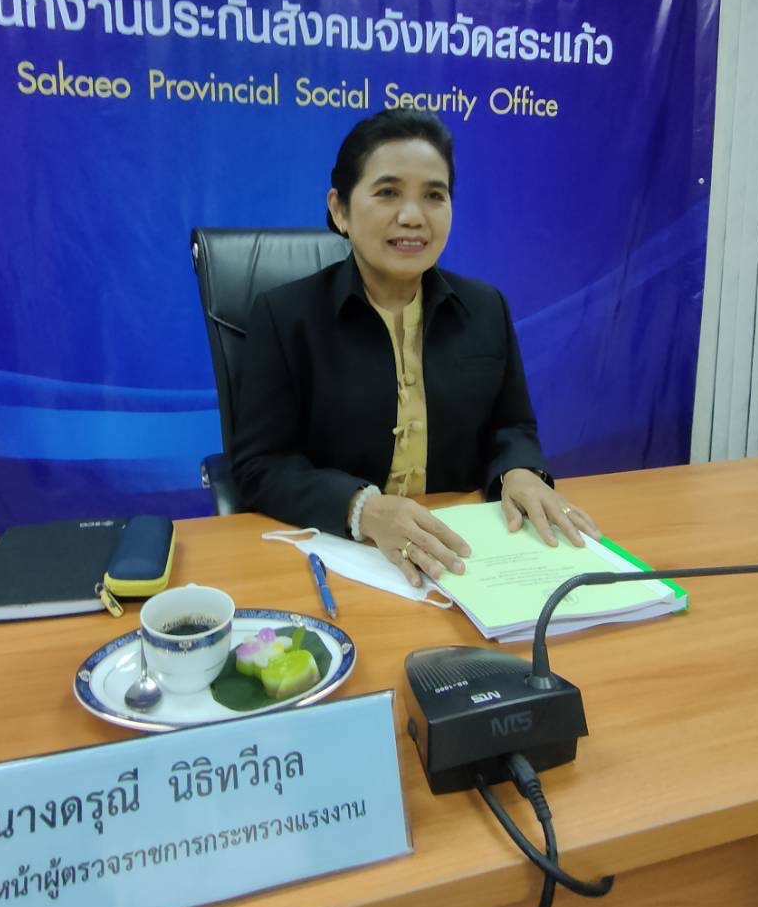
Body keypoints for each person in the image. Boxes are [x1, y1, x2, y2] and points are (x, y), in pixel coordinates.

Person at [231, 110, 601, 587]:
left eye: (434, 195)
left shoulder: (485, 308)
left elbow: (511, 426)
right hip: (343, 556)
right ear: (340, 210)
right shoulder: (285, 316)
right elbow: (261, 466)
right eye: (388, 192)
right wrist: (362, 509)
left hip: (464, 553)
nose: (413, 216)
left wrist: (519, 471)